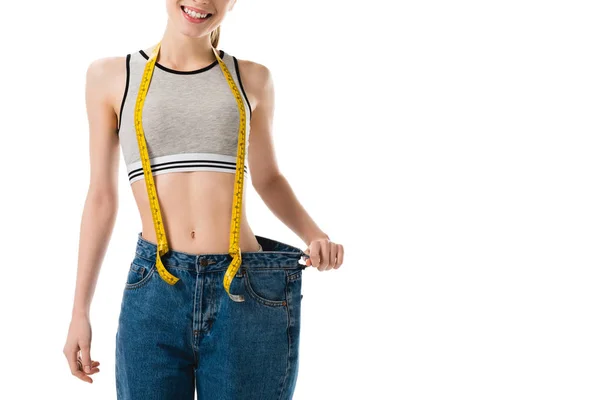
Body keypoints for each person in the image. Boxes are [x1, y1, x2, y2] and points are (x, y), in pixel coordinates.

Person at [62, 0, 345, 399]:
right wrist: (79, 311)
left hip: (246, 289)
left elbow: (269, 177)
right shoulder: (112, 76)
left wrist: (315, 234)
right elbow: (101, 198)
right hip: (155, 288)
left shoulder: (251, 78)